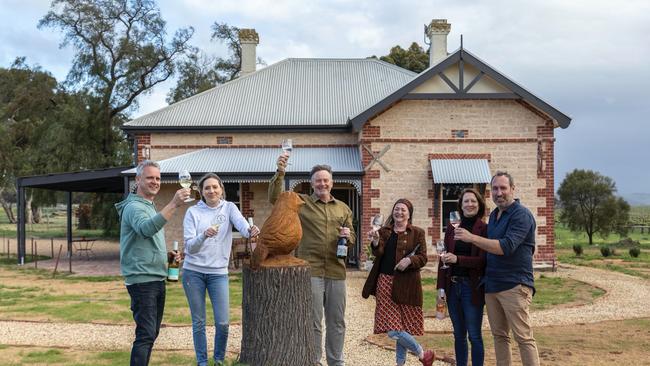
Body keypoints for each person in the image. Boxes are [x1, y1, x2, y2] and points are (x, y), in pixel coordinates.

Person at [269, 154, 355, 366]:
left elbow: (352, 237)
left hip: (336, 271)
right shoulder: (302, 203)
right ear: (312, 183)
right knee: (313, 322)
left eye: (326, 180)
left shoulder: (343, 208)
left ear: (332, 182)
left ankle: (336, 362)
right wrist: (280, 173)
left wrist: (348, 235)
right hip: (311, 271)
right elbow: (274, 198)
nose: (322, 183)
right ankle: (314, 361)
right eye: (318, 180)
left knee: (337, 322)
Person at [454, 171, 540, 366]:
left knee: (523, 337)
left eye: (503, 188)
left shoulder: (522, 215)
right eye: (495, 188)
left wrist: (471, 238)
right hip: (491, 286)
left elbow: (506, 247)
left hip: (514, 285)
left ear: (513, 189)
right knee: (500, 336)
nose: (499, 192)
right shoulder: (494, 215)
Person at [115, 160, 191, 366]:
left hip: (156, 278)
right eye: (150, 178)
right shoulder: (133, 207)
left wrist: (167, 256)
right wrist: (174, 203)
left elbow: (145, 241)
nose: (155, 182)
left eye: (157, 178)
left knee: (151, 333)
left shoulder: (149, 205)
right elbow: (146, 229)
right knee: (146, 335)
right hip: (142, 281)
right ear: (138, 180)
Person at [182, 173, 260, 366]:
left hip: (218, 273)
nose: (211, 191)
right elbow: (189, 247)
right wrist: (203, 235)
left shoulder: (229, 208)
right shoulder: (193, 212)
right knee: (199, 322)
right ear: (201, 192)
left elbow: (242, 226)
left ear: (221, 189)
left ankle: (218, 360)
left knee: (223, 323)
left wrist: (251, 231)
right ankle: (202, 362)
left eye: (215, 187)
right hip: (193, 272)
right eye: (207, 188)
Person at [362, 199, 435, 366]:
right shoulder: (384, 231)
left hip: (407, 285)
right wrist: (374, 241)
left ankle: (400, 364)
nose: (399, 212)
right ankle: (422, 354)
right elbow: (378, 252)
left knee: (401, 327)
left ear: (409, 214)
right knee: (394, 330)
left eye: (403, 210)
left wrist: (409, 261)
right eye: (396, 209)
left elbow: (423, 257)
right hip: (385, 283)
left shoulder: (418, 233)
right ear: (393, 212)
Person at [436, 188, 488, 366]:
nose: (470, 204)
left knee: (474, 335)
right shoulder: (452, 227)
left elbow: (482, 261)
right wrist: (440, 289)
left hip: (471, 288)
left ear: (479, 204)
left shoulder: (483, 228)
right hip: (452, 287)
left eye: (473, 201)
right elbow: (443, 257)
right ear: (461, 205)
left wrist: (458, 259)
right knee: (458, 335)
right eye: (466, 201)